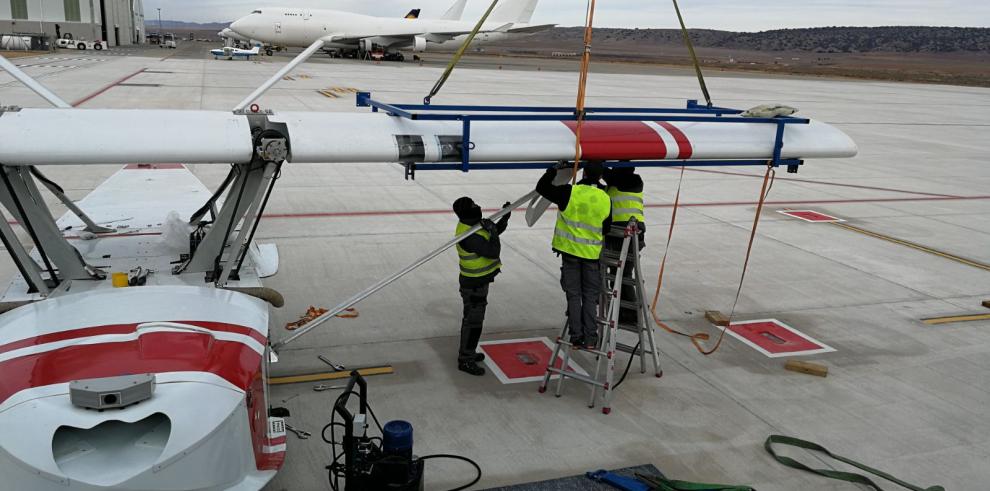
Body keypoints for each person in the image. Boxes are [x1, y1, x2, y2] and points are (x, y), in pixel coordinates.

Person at [536, 161, 612, 349]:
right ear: (600, 177)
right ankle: (591, 338)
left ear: (584, 173)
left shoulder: (569, 192)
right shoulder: (605, 197)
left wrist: (552, 171)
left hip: (570, 254)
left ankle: (576, 336)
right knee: (590, 296)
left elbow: (542, 188)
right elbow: (606, 228)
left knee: (573, 295)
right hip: (591, 256)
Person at [452, 197, 511, 376]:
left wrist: (504, 219)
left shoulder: (474, 225)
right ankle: (465, 359)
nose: (478, 207)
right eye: (473, 206)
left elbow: (492, 235)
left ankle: (468, 353)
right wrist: (492, 231)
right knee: (473, 323)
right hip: (474, 285)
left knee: (472, 320)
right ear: (466, 213)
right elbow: (492, 251)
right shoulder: (468, 235)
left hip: (478, 283)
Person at [603, 165, 646, 325]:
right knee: (620, 274)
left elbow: (607, 174)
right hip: (630, 233)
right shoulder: (631, 181)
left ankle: (631, 315)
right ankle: (623, 313)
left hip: (624, 234)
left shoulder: (625, 180)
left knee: (622, 275)